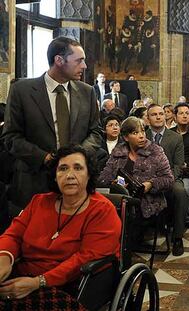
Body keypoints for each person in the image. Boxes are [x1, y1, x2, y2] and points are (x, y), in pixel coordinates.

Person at [0, 145, 121, 309]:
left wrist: (39, 282)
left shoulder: (103, 210)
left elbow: (85, 258)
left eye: (78, 168)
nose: (70, 175)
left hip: (71, 283)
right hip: (24, 273)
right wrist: (5, 258)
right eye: (63, 169)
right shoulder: (39, 201)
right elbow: (13, 235)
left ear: (89, 175)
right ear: (55, 177)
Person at [2, 36, 101, 210]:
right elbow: (11, 137)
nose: (84, 66)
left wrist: (76, 157)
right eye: (79, 61)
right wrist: (45, 158)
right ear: (59, 60)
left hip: (75, 184)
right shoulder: (21, 91)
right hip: (34, 182)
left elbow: (96, 132)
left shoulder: (87, 92)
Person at [98, 117, 174, 219]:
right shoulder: (118, 151)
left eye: (143, 131)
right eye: (135, 133)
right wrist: (114, 184)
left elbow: (168, 179)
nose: (141, 136)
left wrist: (151, 184)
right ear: (126, 137)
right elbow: (104, 177)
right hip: (121, 202)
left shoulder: (156, 151)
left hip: (148, 203)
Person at [145, 104, 187, 256]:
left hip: (170, 178)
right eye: (154, 114)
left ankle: (177, 237)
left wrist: (165, 181)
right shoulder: (142, 136)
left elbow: (178, 165)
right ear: (147, 118)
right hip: (146, 179)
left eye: (161, 114)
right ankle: (136, 234)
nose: (158, 117)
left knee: (180, 192)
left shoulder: (175, 138)